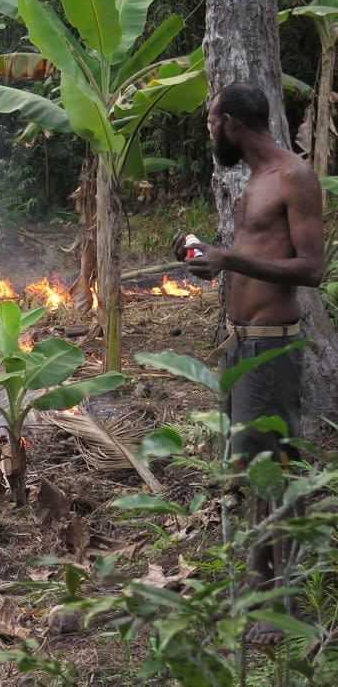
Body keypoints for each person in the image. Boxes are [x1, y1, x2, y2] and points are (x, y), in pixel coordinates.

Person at [172, 81, 325, 645]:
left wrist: (229, 256)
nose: (211, 132)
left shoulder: (292, 177)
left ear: (231, 122)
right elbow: (252, 256)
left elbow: (312, 269)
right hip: (240, 344)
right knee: (249, 469)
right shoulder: (252, 184)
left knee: (271, 470)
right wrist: (209, 258)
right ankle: (258, 588)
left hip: (269, 345)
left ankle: (276, 604)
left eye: (212, 122)